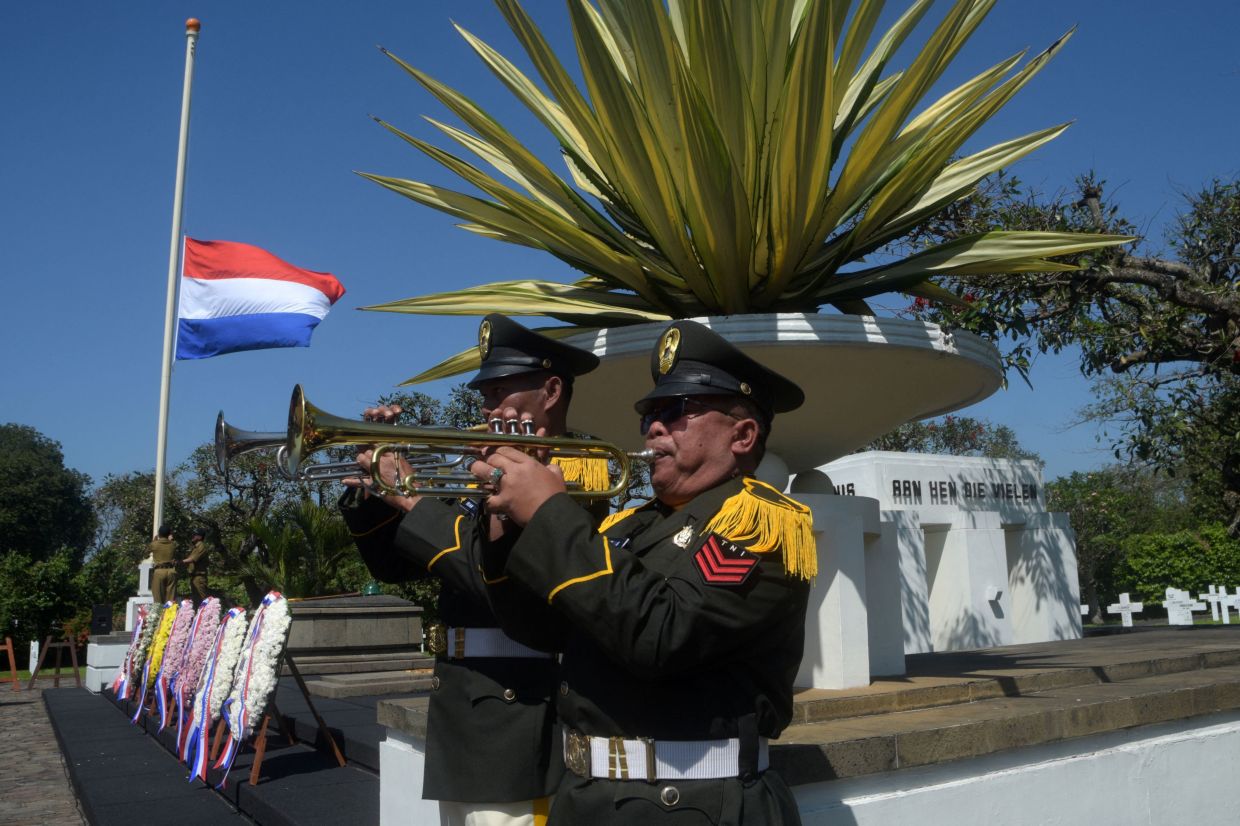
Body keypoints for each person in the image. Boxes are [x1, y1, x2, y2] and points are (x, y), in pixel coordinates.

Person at [471, 319, 815, 826]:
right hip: (587, 798)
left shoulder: (760, 523)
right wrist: (507, 524)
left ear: (742, 435)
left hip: (691, 803)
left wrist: (550, 513)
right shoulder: (630, 525)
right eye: (651, 414)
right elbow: (539, 628)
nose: (653, 427)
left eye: (675, 411)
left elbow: (660, 635)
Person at [338, 313, 601, 826]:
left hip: (520, 709)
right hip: (461, 703)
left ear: (551, 391)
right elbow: (396, 568)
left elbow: (498, 580)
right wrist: (374, 491)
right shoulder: (473, 475)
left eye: (502, 392)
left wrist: (412, 497)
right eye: (485, 395)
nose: (488, 408)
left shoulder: (579, 471)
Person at [148, 525, 178, 604]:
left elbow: (146, 552)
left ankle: (159, 615)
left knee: (158, 600)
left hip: (159, 571)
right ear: (169, 534)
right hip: (171, 571)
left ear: (159, 534)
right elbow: (174, 545)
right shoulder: (173, 544)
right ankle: (169, 616)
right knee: (170, 601)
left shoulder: (154, 544)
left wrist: (154, 541)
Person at [184, 528, 210, 606]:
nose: (192, 536)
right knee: (196, 601)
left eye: (194, 535)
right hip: (195, 577)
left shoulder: (201, 546)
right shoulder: (195, 547)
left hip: (199, 577)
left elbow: (193, 559)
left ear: (200, 537)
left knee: (201, 601)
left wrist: (181, 562)